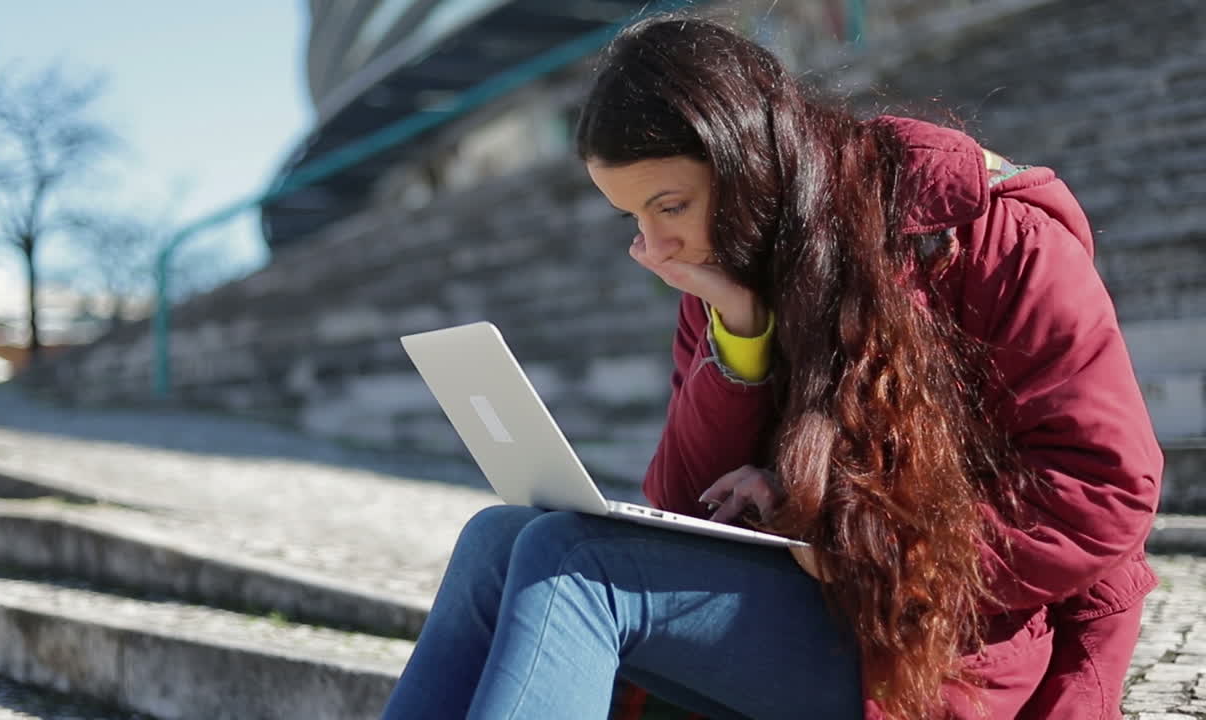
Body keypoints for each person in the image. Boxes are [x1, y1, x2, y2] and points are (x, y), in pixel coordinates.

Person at [381, 13, 1161, 720]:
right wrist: (741, 343)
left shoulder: (987, 234)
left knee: (574, 567)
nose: (651, 249)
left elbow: (1106, 486)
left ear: (744, 159)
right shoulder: (731, 271)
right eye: (633, 216)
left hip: (948, 636)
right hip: (821, 604)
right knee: (498, 538)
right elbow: (681, 503)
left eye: (670, 206)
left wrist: (866, 549)